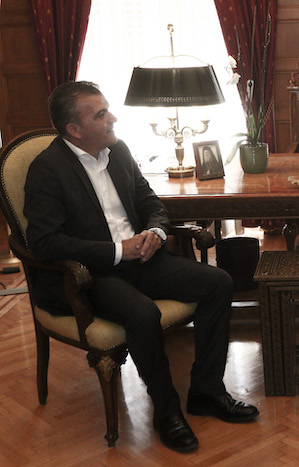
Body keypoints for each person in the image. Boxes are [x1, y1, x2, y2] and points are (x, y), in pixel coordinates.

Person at [24, 81, 259, 453]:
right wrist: (118, 250)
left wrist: (155, 232)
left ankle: (206, 392)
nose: (113, 118)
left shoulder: (118, 151)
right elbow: (44, 242)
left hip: (144, 259)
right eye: (101, 114)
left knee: (217, 282)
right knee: (142, 313)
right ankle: (166, 411)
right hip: (91, 274)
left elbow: (151, 202)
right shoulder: (47, 170)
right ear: (75, 129)